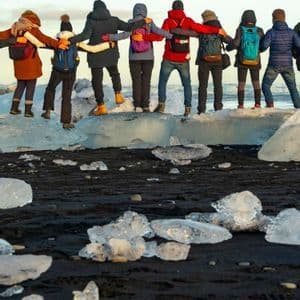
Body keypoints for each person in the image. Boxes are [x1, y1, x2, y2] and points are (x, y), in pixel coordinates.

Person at [68, 0, 149, 116]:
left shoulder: (91, 21)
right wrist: (143, 22)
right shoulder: (114, 20)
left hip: (95, 54)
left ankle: (101, 106)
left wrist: (70, 40)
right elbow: (128, 27)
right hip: (111, 53)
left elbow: (85, 35)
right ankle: (118, 95)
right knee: (114, 73)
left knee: (97, 80)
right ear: (106, 9)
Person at [41, 15, 116, 129]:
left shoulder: (56, 41)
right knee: (66, 96)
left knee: (50, 88)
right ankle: (66, 122)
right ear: (71, 30)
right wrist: (108, 45)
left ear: (61, 29)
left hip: (57, 70)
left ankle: (47, 111)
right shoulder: (75, 42)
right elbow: (93, 49)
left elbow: (40, 43)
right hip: (71, 72)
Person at [155, 0, 227, 116]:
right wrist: (217, 30)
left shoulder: (168, 21)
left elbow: (159, 37)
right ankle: (188, 108)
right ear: (182, 9)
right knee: (187, 84)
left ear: (172, 9)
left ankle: (162, 104)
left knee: (162, 82)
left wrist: (147, 37)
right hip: (183, 59)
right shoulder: (187, 21)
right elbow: (201, 28)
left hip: (168, 58)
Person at [104, 3, 172, 112]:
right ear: (145, 11)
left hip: (134, 58)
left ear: (134, 12)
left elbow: (122, 35)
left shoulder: (131, 23)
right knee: (146, 81)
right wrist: (171, 36)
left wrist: (110, 37)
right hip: (148, 57)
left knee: (136, 81)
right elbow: (159, 32)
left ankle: (137, 105)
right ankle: (145, 105)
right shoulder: (149, 22)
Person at [1, 10, 68, 117]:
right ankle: (28, 111)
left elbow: (1, 35)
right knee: (31, 86)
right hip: (31, 63)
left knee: (20, 85)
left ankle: (14, 108)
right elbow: (46, 39)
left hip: (18, 63)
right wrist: (58, 44)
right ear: (33, 20)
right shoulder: (33, 29)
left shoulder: (14, 28)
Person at [261, 9, 300, 108]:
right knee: (293, 88)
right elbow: (299, 45)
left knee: (265, 86)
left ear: (273, 19)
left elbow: (264, 46)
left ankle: (270, 105)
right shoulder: (291, 33)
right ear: (284, 18)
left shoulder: (271, 32)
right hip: (288, 65)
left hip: (274, 65)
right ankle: (298, 108)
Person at [226, 10, 264, 109]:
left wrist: (228, 48)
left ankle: (241, 105)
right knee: (256, 82)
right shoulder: (259, 30)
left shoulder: (240, 29)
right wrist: (257, 51)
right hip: (255, 60)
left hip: (242, 60)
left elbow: (236, 43)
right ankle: (257, 104)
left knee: (241, 83)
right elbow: (263, 46)